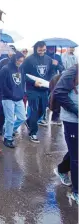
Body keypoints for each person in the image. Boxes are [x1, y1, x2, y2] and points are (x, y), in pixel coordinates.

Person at [21, 41, 56, 143]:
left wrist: (51, 80)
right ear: (36, 48)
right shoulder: (28, 60)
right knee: (35, 110)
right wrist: (33, 82)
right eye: (40, 50)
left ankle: (29, 121)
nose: (42, 52)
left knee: (42, 110)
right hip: (32, 89)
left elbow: (51, 72)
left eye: (44, 50)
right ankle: (33, 133)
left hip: (44, 89)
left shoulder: (48, 59)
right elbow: (23, 74)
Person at [53, 64, 78, 204]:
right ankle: (77, 192)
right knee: (77, 157)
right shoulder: (74, 70)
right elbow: (59, 92)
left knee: (75, 151)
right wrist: (76, 110)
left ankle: (61, 169)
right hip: (73, 120)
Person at [0, 52, 26, 148]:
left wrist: (22, 92)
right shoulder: (5, 69)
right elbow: (2, 85)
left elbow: (22, 81)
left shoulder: (21, 68)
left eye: (22, 61)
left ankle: (8, 130)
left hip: (19, 97)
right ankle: (8, 138)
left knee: (22, 117)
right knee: (10, 119)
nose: (20, 62)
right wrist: (11, 94)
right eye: (19, 61)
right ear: (14, 59)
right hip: (7, 98)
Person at [0, 48, 16, 135]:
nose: (11, 53)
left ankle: (8, 128)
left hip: (13, 90)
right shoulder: (2, 62)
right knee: (2, 108)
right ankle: (0, 126)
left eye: (13, 52)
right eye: (10, 51)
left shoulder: (17, 63)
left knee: (12, 110)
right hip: (2, 89)